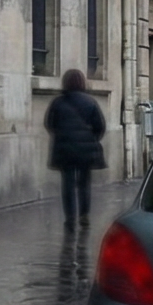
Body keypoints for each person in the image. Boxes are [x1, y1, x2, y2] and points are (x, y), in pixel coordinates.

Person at [43, 69, 108, 231]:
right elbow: (100, 126)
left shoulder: (58, 102)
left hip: (65, 149)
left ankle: (70, 217)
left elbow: (49, 123)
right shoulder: (90, 102)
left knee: (68, 184)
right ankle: (84, 215)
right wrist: (91, 138)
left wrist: (62, 135)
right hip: (85, 150)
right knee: (84, 183)